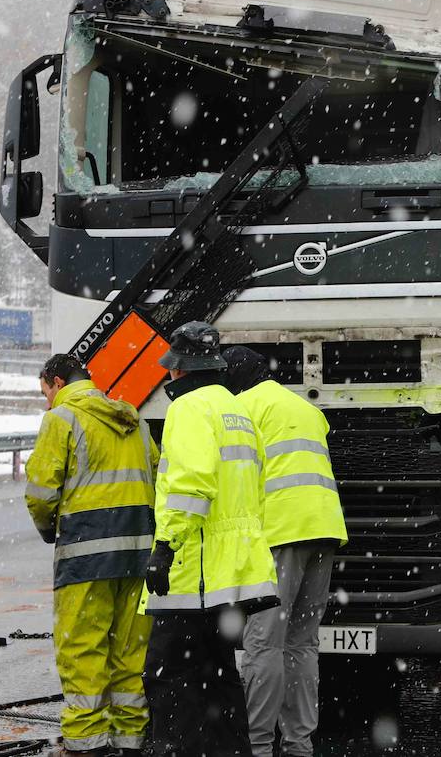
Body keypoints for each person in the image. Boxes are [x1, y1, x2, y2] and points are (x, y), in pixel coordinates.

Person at [141, 322, 279, 757]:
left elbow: (190, 486)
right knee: (218, 679)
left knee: (168, 677)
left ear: (180, 370)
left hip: (192, 574)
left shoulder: (189, 410)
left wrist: (166, 548)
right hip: (231, 576)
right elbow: (254, 493)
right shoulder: (236, 411)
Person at [25, 353, 159, 755]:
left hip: (86, 555)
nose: (46, 401)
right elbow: (157, 472)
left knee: (82, 649)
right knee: (129, 653)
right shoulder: (131, 420)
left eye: (45, 392)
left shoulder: (61, 419)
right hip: (138, 557)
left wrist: (49, 529)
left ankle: (85, 745)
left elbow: (40, 492)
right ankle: (129, 740)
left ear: (55, 381)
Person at [224, 346, 347, 757]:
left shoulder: (241, 409)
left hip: (280, 531)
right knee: (303, 643)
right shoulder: (304, 407)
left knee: (263, 642)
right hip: (324, 528)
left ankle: (257, 746)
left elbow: (235, 480)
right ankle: (299, 744)